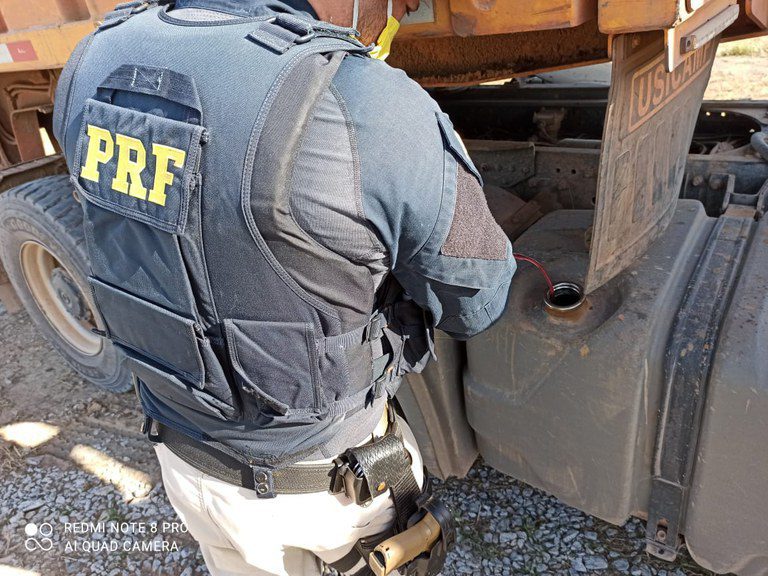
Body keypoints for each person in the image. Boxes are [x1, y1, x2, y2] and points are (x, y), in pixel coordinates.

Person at [53, 0, 516, 574]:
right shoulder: (366, 102)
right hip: (327, 497)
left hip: (184, 461)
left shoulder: (94, 56)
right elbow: (478, 300)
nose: (400, 12)